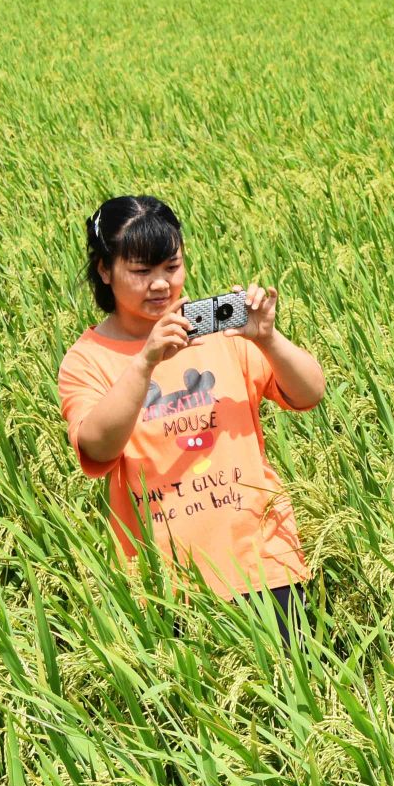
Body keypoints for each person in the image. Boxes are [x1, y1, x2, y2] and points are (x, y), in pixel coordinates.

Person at [56, 196, 326, 635]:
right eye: (141, 271)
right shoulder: (87, 360)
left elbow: (310, 393)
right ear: (105, 271)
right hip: (165, 583)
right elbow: (98, 446)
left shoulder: (221, 331)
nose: (160, 284)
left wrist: (268, 339)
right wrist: (145, 361)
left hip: (263, 560)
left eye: (171, 267)